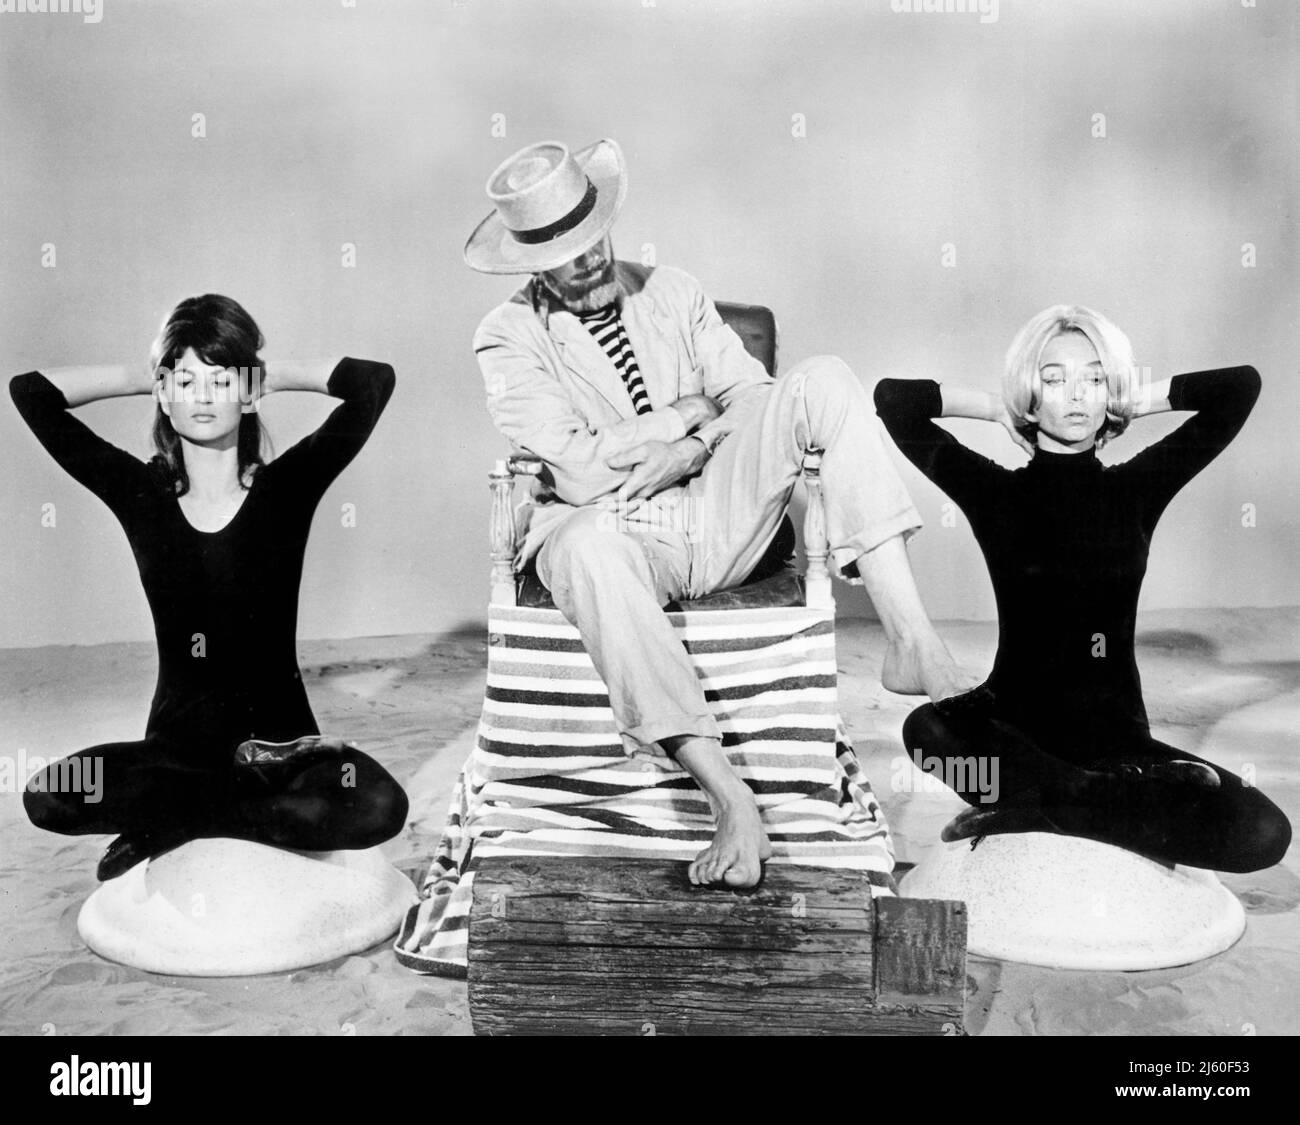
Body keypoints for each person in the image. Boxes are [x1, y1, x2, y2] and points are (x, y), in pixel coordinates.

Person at [465, 138, 970, 889]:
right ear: (530, 262)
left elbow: (758, 399)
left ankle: (912, 641)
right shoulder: (507, 336)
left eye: (593, 235)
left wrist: (692, 445)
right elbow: (576, 467)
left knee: (823, 380)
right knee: (583, 544)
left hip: (718, 512)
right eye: (565, 251)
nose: (589, 258)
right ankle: (728, 796)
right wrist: (689, 412)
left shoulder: (674, 291)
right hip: (619, 531)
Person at [874, 304, 1290, 873]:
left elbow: (1239, 387)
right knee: (926, 732)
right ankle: (1093, 803)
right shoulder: (994, 493)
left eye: (1093, 378)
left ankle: (1048, 804)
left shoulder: (1139, 487)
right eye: (1054, 379)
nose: (1075, 396)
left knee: (1265, 833)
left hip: (1120, 744)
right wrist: (1000, 409)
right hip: (1008, 729)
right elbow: (895, 400)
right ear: (1031, 391)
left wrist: (1126, 399)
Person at [12, 293, 408, 880]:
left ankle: (175, 821)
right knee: (50, 794)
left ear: (247, 395)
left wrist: (263, 374)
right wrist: (153, 373)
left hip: (284, 753)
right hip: (174, 755)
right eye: (185, 381)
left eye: (222, 381)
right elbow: (31, 393)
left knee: (379, 805)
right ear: (164, 396)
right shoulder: (140, 495)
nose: (201, 395)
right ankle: (214, 810)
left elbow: (373, 382)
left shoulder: (286, 490)